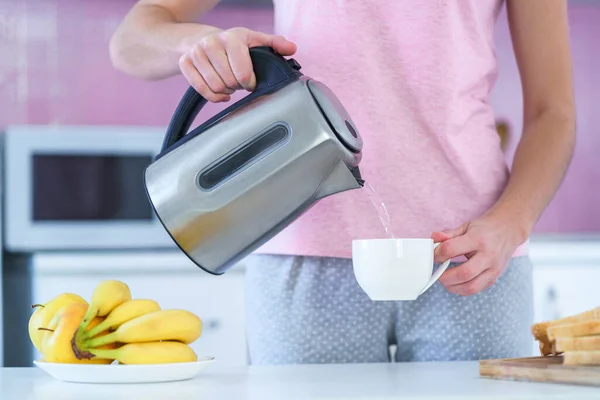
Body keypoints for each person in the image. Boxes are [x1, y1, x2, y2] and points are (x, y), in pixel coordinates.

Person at [110, 0, 576, 364]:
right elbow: (132, 39)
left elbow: (552, 112)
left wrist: (510, 223)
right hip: (304, 257)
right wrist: (200, 45)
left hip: (474, 258)